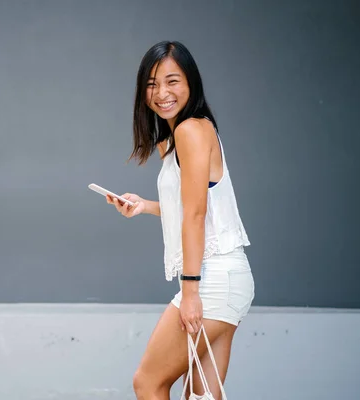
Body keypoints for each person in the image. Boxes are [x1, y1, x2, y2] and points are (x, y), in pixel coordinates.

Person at [106, 41, 255, 399]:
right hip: (230, 276)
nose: (162, 93)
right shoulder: (182, 136)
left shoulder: (190, 130)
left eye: (173, 81)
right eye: (152, 84)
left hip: (212, 279)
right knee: (201, 396)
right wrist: (145, 205)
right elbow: (195, 202)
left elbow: (196, 213)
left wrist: (190, 293)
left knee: (148, 381)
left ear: (191, 83)